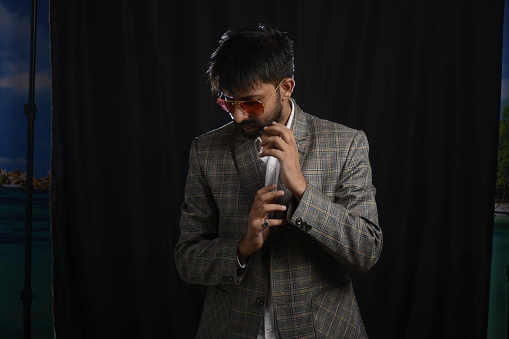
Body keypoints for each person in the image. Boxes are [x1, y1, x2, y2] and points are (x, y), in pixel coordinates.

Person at [174, 24, 382, 339]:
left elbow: (365, 251)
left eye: (251, 103)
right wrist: (242, 248)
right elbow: (187, 258)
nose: (239, 116)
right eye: (228, 103)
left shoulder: (346, 143)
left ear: (286, 87)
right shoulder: (206, 150)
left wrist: (302, 189)